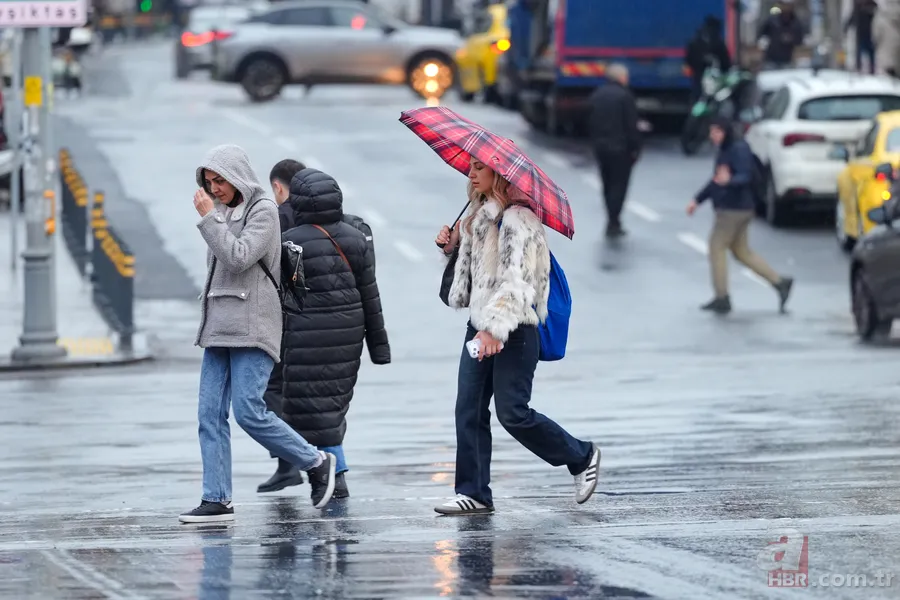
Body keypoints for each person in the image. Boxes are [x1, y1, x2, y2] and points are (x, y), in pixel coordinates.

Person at [432, 156, 600, 515]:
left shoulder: (518, 221)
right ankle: (474, 492)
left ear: (500, 176)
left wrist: (495, 330)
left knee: (513, 414)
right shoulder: (479, 217)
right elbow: (476, 276)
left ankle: (581, 455)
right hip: (480, 326)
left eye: (480, 168)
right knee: (468, 409)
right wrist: (452, 246)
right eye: (472, 168)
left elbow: (519, 283)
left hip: (515, 328)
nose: (472, 174)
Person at [182, 144, 336, 523]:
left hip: (253, 324)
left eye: (221, 180)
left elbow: (238, 257)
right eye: (209, 181)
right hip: (219, 325)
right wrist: (214, 218)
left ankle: (316, 462)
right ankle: (217, 498)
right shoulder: (220, 212)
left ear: (238, 177)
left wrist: (208, 221)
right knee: (208, 414)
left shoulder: (263, 210)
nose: (215, 188)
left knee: (249, 411)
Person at [274, 166, 391, 505]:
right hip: (349, 333)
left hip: (302, 333)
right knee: (332, 405)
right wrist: (379, 348)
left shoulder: (289, 242)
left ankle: (328, 475)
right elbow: (371, 294)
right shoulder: (356, 238)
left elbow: (285, 296)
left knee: (303, 406)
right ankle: (333, 475)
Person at [686, 118, 794, 315]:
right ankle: (779, 283)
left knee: (716, 247)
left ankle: (722, 297)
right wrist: (698, 200)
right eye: (712, 132)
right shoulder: (727, 148)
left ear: (726, 131)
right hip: (738, 208)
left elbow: (744, 176)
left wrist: (729, 181)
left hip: (733, 210)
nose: (713, 136)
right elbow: (717, 180)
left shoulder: (738, 149)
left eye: (717, 132)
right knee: (742, 252)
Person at [255, 158, 308, 495]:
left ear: (277, 186)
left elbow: (282, 273)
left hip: (284, 317)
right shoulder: (317, 215)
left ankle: (291, 461)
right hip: (315, 318)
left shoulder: (279, 218)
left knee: (272, 391)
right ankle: (292, 463)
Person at [588, 63, 641, 238]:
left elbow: (589, 120)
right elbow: (631, 125)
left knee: (607, 183)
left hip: (601, 147)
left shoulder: (597, 95)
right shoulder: (625, 97)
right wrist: (636, 148)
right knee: (619, 185)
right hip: (621, 148)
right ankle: (614, 219)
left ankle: (612, 218)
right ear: (621, 77)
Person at [685, 15, 732, 103]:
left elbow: (726, 62)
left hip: (711, 79)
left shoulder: (713, 42)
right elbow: (726, 62)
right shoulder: (713, 42)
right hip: (704, 78)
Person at [757, 0, 806, 69]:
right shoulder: (772, 20)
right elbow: (761, 35)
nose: (786, 7)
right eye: (784, 5)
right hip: (771, 59)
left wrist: (790, 39)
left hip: (787, 60)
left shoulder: (796, 23)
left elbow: (800, 41)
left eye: (789, 5)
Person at [846, 0, 878, 74]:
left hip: (870, 33)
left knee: (870, 52)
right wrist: (847, 27)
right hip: (861, 33)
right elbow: (852, 17)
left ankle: (871, 69)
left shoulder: (871, 5)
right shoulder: (858, 6)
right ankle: (859, 67)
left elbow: (877, 17)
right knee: (860, 51)